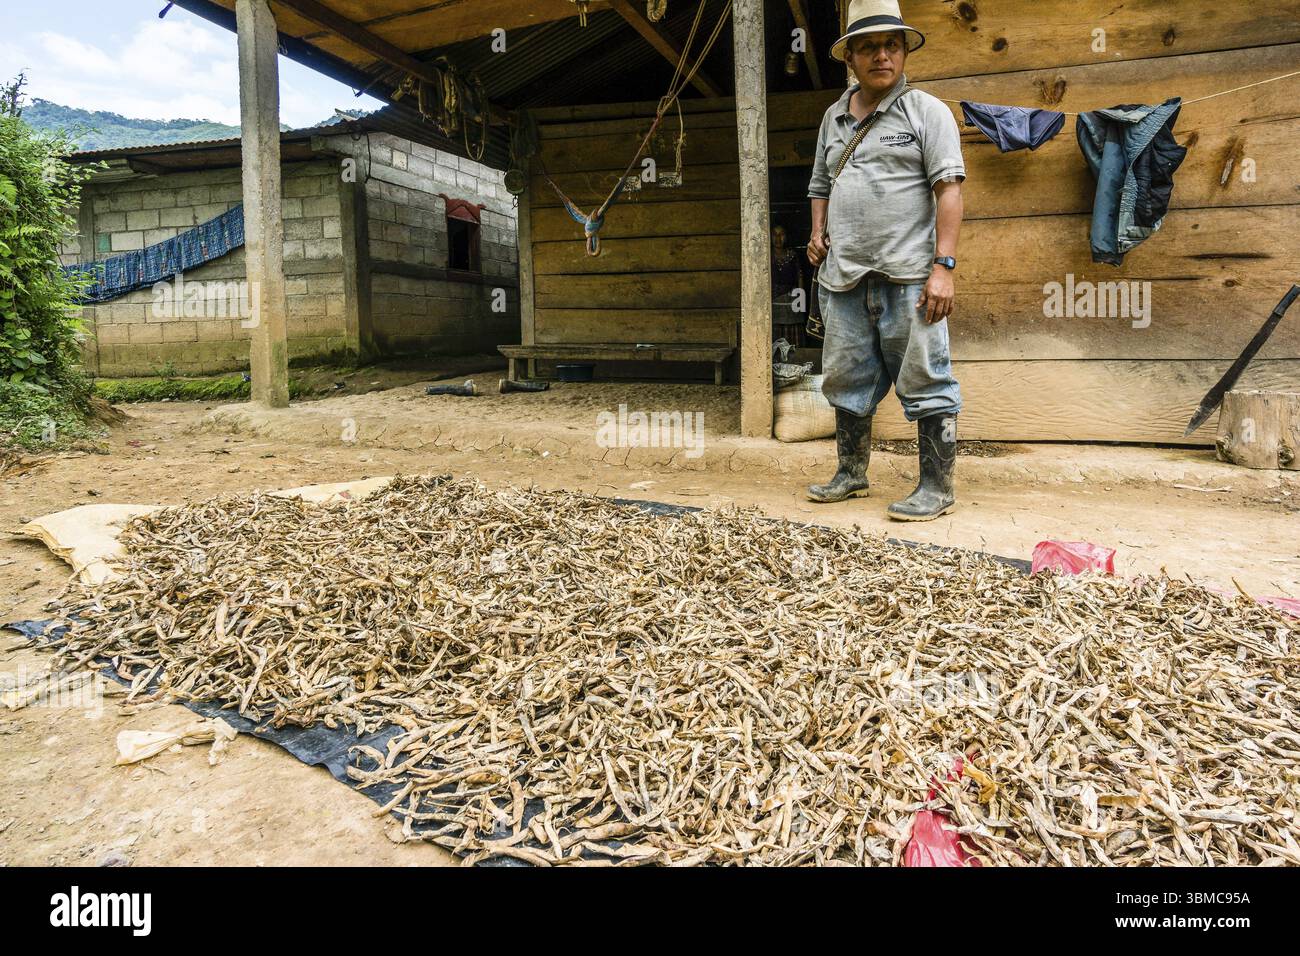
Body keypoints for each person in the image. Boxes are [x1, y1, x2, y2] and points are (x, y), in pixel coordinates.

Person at [805, 0, 965, 521]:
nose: (881, 55)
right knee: (845, 379)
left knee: (926, 378)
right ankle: (851, 473)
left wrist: (944, 267)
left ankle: (936, 488)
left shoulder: (927, 111)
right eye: (868, 46)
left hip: (910, 276)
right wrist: (816, 231)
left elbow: (949, 190)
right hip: (844, 276)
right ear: (849, 56)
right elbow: (820, 184)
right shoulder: (833, 117)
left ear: (903, 51)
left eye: (890, 45)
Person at [771, 224, 807, 345]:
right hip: (773, 299)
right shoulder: (767, 255)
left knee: (793, 329)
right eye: (775, 235)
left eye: (781, 234)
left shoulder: (792, 255)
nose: (778, 238)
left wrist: (800, 300)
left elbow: (799, 277)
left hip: (791, 299)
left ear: (786, 236)